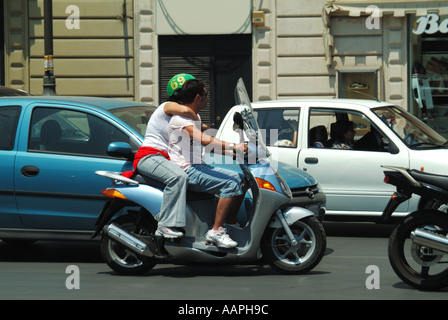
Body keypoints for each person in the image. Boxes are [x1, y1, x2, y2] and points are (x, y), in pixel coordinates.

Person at [168, 79, 248, 248]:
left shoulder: (194, 117)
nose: (206, 98)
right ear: (199, 97)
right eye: (206, 95)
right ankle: (216, 232)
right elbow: (204, 139)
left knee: (242, 179)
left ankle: (230, 224)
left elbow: (206, 146)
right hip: (187, 169)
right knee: (230, 183)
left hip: (199, 165)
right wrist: (234, 146)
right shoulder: (180, 120)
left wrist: (234, 152)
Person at [122, 73, 198, 238]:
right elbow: (187, 109)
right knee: (178, 178)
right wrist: (197, 117)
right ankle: (165, 225)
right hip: (150, 156)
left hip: (163, 158)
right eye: (192, 93)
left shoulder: (180, 118)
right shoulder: (167, 106)